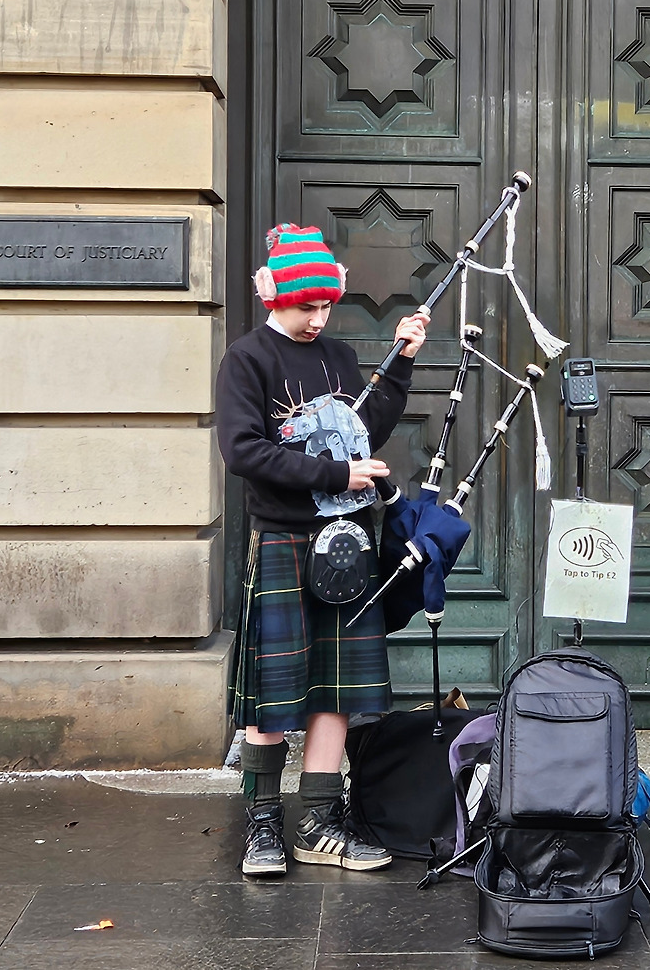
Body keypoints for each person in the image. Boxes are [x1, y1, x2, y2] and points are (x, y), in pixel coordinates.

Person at [216, 223, 429, 877]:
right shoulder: (247, 359)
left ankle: (317, 822)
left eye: (325, 305)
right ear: (274, 296)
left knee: (336, 690)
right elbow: (243, 451)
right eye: (305, 306)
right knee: (272, 693)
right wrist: (338, 476)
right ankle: (262, 826)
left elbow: (364, 430)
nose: (317, 318)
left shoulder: (338, 355)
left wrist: (402, 361)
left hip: (346, 544)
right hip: (283, 538)